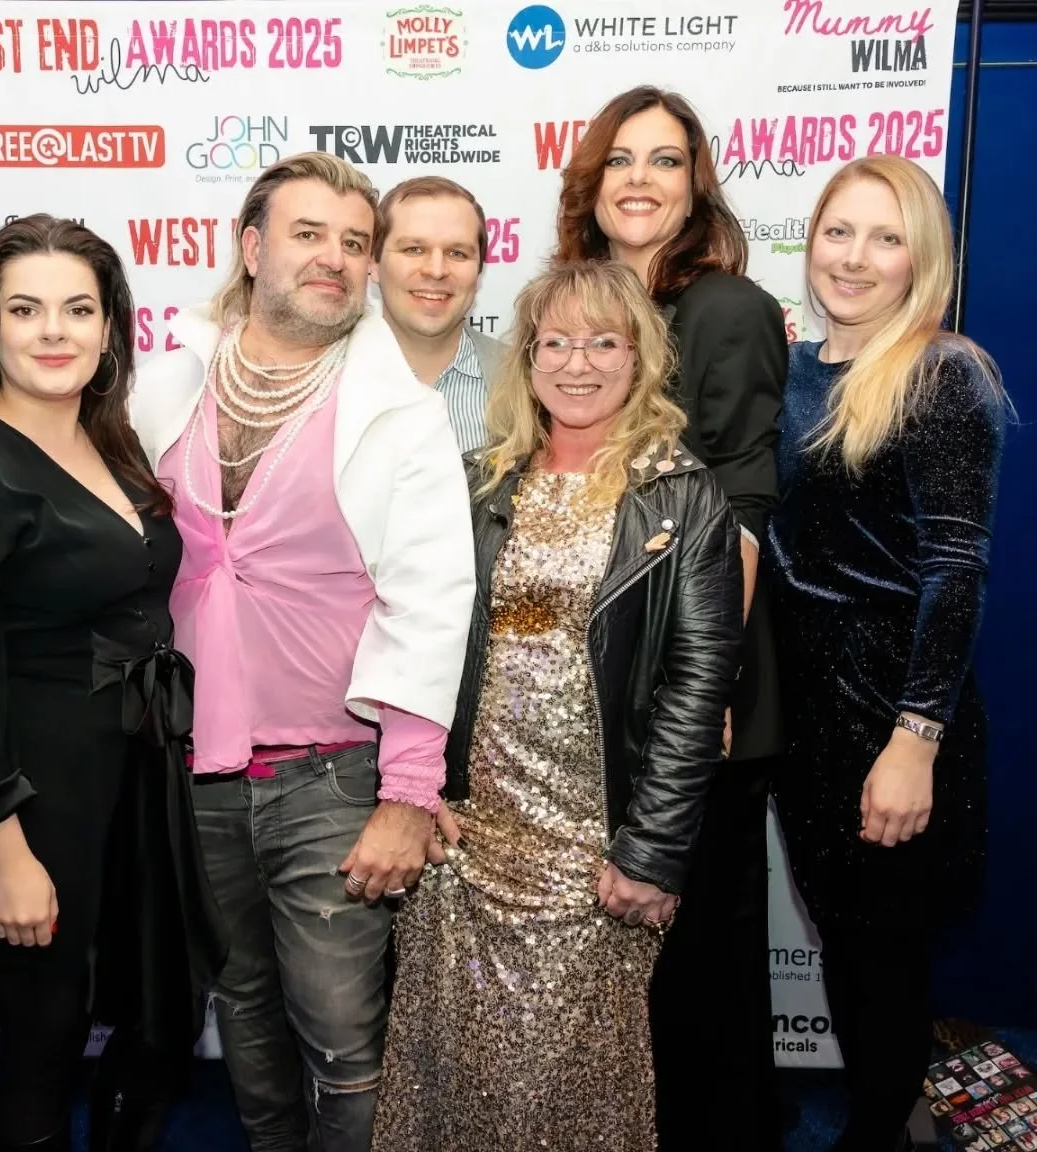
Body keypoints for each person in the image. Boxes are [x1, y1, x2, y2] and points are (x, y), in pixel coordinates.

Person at [128, 152, 474, 1151]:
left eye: (354, 243)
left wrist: (408, 796)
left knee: (342, 1040)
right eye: (308, 233)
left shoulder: (397, 413)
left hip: (333, 778)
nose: (334, 257)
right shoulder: (168, 387)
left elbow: (430, 603)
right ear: (251, 246)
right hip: (194, 774)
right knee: (241, 1011)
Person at [372, 258, 742, 1149]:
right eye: (557, 342)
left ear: (641, 356)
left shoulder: (682, 496)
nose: (578, 363)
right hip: (468, 841)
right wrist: (416, 798)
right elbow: (415, 642)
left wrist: (652, 851)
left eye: (604, 342)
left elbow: (698, 689)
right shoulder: (475, 483)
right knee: (448, 1078)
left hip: (593, 855)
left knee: (568, 1094)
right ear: (526, 356)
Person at [0, 215, 226, 1152]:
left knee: (146, 1012)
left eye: (78, 309)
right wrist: (6, 853)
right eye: (25, 309)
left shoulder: (115, 445)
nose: (54, 331)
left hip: (132, 782)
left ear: (111, 327)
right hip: (32, 803)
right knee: (41, 1051)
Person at [555, 84, 788, 1147]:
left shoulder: (724, 309)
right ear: (591, 185)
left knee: (704, 972)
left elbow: (741, 509)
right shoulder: (587, 310)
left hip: (700, 693)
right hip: (615, 688)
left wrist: (716, 688)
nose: (641, 180)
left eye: (666, 161)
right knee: (632, 971)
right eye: (621, 161)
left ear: (697, 186)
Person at [767, 154, 1007, 1152]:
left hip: (890, 714)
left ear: (922, 259)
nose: (855, 258)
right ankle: (883, 1115)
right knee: (847, 946)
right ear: (810, 240)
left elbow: (957, 573)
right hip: (801, 711)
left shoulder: (944, 375)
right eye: (839, 231)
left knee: (880, 958)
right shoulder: (788, 370)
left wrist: (914, 743)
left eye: (885, 236)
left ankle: (876, 1133)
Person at [371, 176, 504, 452]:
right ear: (373, 263)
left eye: (457, 253)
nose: (436, 270)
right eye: (414, 249)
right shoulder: (323, 380)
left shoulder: (528, 381)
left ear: (479, 271)